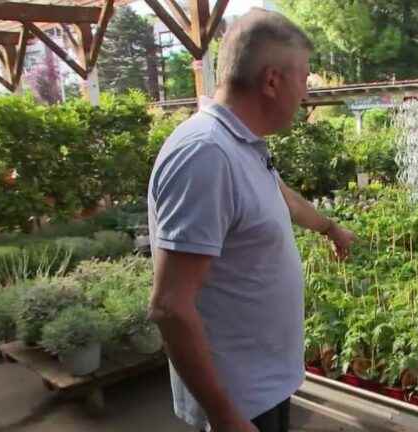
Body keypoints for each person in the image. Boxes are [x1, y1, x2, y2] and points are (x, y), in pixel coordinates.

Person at [147, 9, 355, 432]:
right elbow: (170, 306)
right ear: (272, 80)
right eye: (304, 78)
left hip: (261, 386)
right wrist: (225, 417)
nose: (307, 94)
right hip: (238, 401)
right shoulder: (206, 154)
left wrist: (330, 228)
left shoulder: (239, 143)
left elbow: (282, 196)